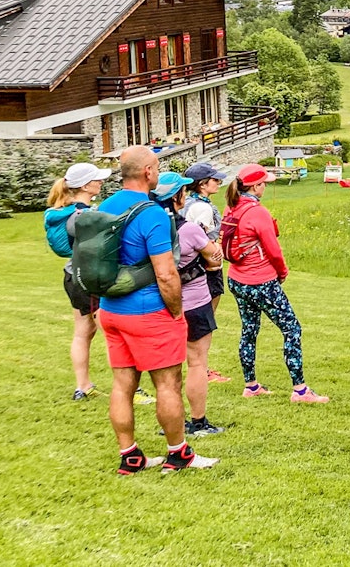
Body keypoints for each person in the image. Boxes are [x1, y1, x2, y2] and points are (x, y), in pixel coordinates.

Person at [97, 147, 216, 474]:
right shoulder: (150, 213)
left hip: (110, 309)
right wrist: (176, 311)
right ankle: (178, 454)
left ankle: (130, 456)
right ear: (148, 172)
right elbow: (165, 273)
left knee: (122, 384)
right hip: (148, 311)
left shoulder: (106, 206)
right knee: (167, 384)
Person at [223, 163, 327, 403]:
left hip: (237, 280)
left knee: (249, 330)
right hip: (260, 280)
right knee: (292, 329)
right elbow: (273, 250)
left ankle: (250, 385)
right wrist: (281, 272)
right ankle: (300, 390)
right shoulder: (258, 212)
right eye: (264, 184)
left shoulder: (232, 207)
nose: (265, 188)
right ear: (255, 186)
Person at [153, 172, 226, 437]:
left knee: (169, 367)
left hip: (161, 302)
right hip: (194, 301)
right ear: (176, 197)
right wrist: (208, 260)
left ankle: (172, 421)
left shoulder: (151, 227)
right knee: (197, 362)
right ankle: (198, 421)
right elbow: (215, 259)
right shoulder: (189, 230)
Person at [44, 162, 114, 401]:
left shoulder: (68, 213)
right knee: (111, 332)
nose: (101, 182)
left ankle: (82, 386)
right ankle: (128, 388)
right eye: (97, 179)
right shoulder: (82, 216)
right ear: (85, 185)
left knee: (83, 331)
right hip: (89, 279)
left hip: (73, 275)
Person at [182, 162, 230, 384]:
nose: (218, 183)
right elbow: (201, 238)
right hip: (207, 268)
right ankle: (203, 368)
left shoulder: (188, 203)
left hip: (191, 269)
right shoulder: (202, 208)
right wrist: (214, 258)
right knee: (205, 320)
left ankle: (199, 365)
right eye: (214, 180)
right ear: (202, 184)